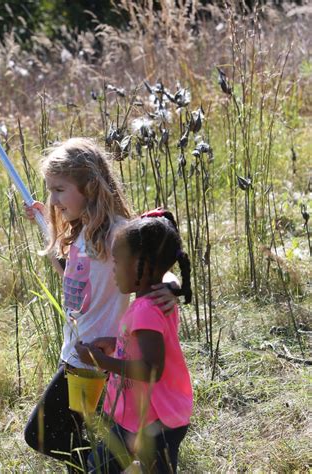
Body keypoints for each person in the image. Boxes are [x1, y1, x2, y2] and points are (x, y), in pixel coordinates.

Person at [23, 138, 179, 471]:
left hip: (102, 362)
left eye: (60, 190)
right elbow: (72, 276)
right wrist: (46, 228)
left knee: (45, 436)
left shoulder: (119, 233)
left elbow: (156, 271)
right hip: (78, 357)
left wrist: (172, 288)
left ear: (91, 187)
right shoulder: (83, 233)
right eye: (50, 190)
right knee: (66, 437)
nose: (53, 199)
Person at [76, 210, 193, 473]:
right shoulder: (151, 300)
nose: (113, 270)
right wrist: (115, 343)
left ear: (141, 265)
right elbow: (141, 342)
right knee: (101, 466)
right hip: (141, 416)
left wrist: (100, 360)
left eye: (117, 262)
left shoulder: (146, 309)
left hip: (157, 421)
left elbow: (152, 368)